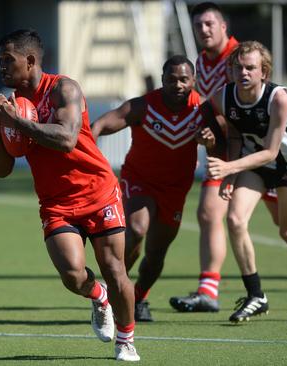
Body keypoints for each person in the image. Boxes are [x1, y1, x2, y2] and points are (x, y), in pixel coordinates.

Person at [170, 2, 287, 315]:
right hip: (239, 155)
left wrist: (227, 163)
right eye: (198, 25)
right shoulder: (204, 64)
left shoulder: (242, 60)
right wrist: (204, 134)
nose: (203, 30)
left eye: (210, 24)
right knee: (217, 214)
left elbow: (269, 146)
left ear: (224, 27)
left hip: (279, 163)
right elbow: (219, 116)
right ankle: (226, 291)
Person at [0, 29, 139, 362]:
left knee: (115, 271)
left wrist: (17, 121)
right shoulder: (8, 103)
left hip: (98, 191)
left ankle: (126, 341)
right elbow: (1, 169)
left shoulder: (62, 88)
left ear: (30, 61)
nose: (1, 67)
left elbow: (67, 139)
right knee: (72, 274)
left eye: (7, 60)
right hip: (57, 203)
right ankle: (99, 298)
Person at [90, 55, 216, 322]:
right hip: (140, 180)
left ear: (193, 81)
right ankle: (114, 286)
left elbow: (223, 140)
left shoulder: (202, 110)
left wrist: (211, 140)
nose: (178, 84)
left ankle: (138, 296)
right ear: (162, 80)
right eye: (171, 79)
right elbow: (102, 124)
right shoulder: (144, 105)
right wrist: (90, 145)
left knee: (157, 252)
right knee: (136, 229)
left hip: (175, 188)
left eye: (184, 79)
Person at [204, 40, 287, 321]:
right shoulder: (224, 96)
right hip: (254, 165)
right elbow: (233, 135)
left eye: (250, 68)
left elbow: (271, 151)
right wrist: (230, 175)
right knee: (235, 220)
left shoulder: (278, 98)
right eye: (238, 67)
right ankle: (256, 295)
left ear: (263, 72)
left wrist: (230, 166)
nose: (243, 73)